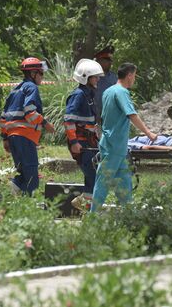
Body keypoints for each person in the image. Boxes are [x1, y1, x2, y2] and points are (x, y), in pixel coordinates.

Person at [91, 63, 157, 211]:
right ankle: (92, 218)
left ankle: (129, 217)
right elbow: (131, 114)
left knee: (124, 184)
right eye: (134, 75)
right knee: (103, 182)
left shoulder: (108, 91)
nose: (134, 79)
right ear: (129, 75)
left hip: (116, 146)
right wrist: (148, 133)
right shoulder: (122, 92)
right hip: (114, 145)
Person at [0, 57, 55, 195]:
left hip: (13, 137)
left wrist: (5, 138)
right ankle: (27, 205)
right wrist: (46, 124)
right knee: (32, 179)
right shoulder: (32, 87)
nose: (42, 76)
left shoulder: (14, 90)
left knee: (24, 174)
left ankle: (11, 196)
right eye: (41, 73)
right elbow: (30, 112)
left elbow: (3, 117)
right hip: (25, 137)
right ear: (33, 73)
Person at [64, 59, 105, 211]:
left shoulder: (88, 95)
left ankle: (85, 206)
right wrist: (74, 142)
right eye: (95, 76)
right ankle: (87, 208)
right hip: (81, 144)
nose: (98, 79)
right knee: (93, 176)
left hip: (89, 143)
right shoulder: (78, 95)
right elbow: (68, 120)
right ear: (85, 77)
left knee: (93, 176)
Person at [93, 45, 118, 124]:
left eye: (110, 60)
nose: (110, 62)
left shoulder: (114, 78)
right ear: (99, 61)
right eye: (107, 60)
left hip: (111, 118)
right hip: (93, 119)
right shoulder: (91, 77)